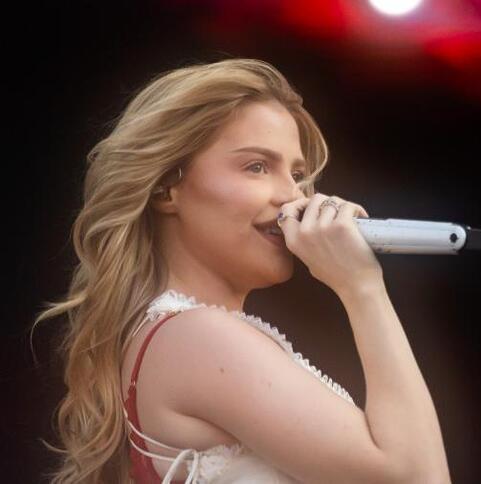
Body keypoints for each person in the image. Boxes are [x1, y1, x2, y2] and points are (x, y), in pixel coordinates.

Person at [31, 58, 451, 483]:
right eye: (256, 166)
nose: (292, 197)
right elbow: (417, 477)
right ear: (166, 188)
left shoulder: (176, 338)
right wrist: (362, 287)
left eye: (299, 175)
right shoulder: (197, 337)